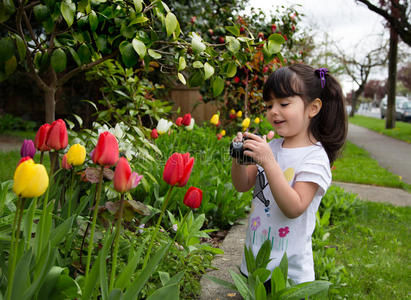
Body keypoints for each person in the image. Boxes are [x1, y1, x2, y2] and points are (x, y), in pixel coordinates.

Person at [231, 63, 347, 287]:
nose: (274, 111)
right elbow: (243, 184)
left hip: (287, 273)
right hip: (254, 264)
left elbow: (294, 207)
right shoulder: (271, 147)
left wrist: (268, 161)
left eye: (284, 103)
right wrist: (239, 159)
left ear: (313, 108)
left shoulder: (315, 157)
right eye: (269, 105)